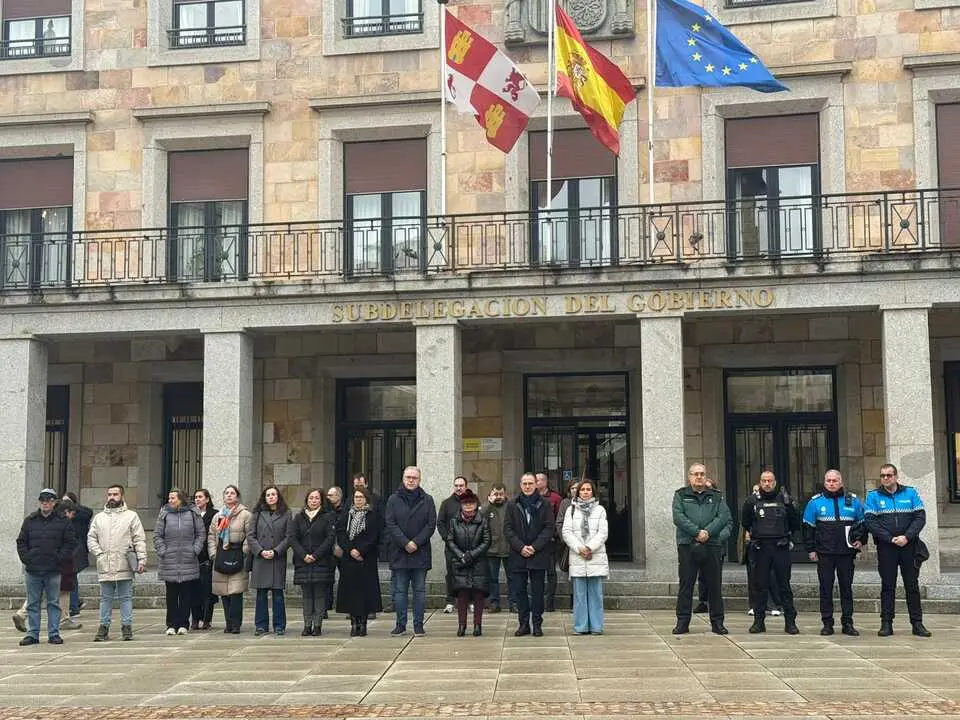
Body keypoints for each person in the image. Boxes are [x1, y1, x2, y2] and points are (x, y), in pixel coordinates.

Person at [864, 463, 930, 637]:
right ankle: (886, 623)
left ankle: (917, 624)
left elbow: (920, 517)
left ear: (896, 476)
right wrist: (890, 538)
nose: (885, 478)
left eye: (889, 475)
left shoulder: (910, 493)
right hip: (887, 547)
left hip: (909, 546)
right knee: (887, 586)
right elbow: (870, 522)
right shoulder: (873, 496)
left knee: (912, 586)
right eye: (883, 475)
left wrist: (906, 537)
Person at [802, 469, 866, 637]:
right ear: (824, 483)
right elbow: (808, 528)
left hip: (846, 553)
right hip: (825, 553)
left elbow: (862, 523)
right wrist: (810, 550)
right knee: (825, 589)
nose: (831, 483)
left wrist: (861, 540)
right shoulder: (815, 502)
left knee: (847, 588)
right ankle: (827, 623)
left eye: (834, 480)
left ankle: (848, 623)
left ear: (841, 482)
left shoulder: (853, 501)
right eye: (828, 480)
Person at [672, 464, 732, 635]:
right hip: (687, 545)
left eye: (702, 474)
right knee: (686, 585)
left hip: (711, 544)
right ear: (689, 477)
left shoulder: (717, 496)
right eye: (695, 474)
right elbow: (678, 517)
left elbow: (724, 516)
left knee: (714, 585)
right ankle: (682, 622)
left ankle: (717, 623)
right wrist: (697, 532)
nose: (699, 477)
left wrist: (708, 532)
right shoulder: (680, 495)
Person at [741, 469, 800, 634]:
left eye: (770, 481)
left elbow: (795, 523)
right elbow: (746, 522)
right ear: (760, 482)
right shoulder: (751, 501)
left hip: (780, 547)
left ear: (775, 482)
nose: (767, 484)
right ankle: (758, 622)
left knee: (784, 586)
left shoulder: (785, 500)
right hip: (760, 548)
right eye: (764, 481)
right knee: (759, 586)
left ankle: (790, 622)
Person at [15, 489, 75, 646]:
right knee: (33, 603)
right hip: (33, 569)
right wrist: (27, 559)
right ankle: (32, 634)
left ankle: (54, 633)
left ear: (54, 502)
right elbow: (21, 541)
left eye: (48, 500)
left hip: (53, 570)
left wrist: (59, 559)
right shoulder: (30, 520)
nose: (45, 503)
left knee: (53, 603)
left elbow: (70, 543)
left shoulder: (63, 521)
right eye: (42, 500)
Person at [88, 484, 147, 642]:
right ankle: (103, 627)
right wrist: (99, 553)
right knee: (105, 598)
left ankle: (126, 627)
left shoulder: (131, 516)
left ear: (122, 496)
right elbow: (91, 538)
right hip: (105, 563)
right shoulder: (99, 517)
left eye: (115, 494)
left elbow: (139, 539)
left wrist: (141, 559)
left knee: (125, 597)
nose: (112, 497)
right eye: (109, 494)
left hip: (124, 563)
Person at [384, 466, 436, 636]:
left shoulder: (427, 500)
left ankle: (418, 625)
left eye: (414, 477)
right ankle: (400, 624)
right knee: (400, 592)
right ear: (403, 478)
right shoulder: (393, 499)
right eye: (408, 477)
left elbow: (430, 525)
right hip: (400, 553)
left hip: (420, 553)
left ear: (419, 480)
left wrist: (416, 542)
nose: (411, 480)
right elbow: (390, 524)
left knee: (419, 591)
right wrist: (405, 542)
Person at [504, 472, 554, 637]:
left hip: (538, 555)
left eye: (530, 483)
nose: (527, 486)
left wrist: (534, 547)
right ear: (520, 485)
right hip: (518, 556)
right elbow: (508, 529)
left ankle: (537, 624)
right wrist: (521, 547)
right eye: (524, 483)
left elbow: (548, 528)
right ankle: (523, 624)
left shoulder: (545, 504)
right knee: (520, 591)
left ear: (536, 484)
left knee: (538, 592)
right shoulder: (512, 504)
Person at [561, 479, 609, 635]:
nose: (585, 492)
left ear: (593, 492)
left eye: (588, 489)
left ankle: (596, 626)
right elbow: (566, 532)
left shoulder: (600, 510)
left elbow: (603, 533)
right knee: (580, 595)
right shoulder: (571, 510)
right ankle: (581, 626)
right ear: (577, 492)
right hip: (578, 556)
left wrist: (590, 548)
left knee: (596, 594)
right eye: (582, 490)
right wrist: (579, 548)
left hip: (595, 556)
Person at [154, 488, 205, 636]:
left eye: (173, 498)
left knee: (185, 593)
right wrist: (163, 550)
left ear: (181, 499)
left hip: (188, 559)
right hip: (169, 559)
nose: (170, 501)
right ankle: (171, 624)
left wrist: (194, 549)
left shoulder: (192, 513)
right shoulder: (164, 514)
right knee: (171, 594)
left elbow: (201, 534)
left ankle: (183, 624)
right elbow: (157, 535)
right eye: (169, 498)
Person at [289, 489, 336, 636]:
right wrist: (304, 555)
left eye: (316, 498)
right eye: (311, 498)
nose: (313, 500)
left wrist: (315, 555)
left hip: (321, 561)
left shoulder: (327, 517)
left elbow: (329, 538)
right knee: (307, 595)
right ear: (307, 500)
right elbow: (292, 538)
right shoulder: (298, 518)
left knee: (320, 595)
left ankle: (317, 625)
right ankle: (307, 624)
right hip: (303, 562)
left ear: (321, 500)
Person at [336, 488, 383, 636]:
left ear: (366, 499)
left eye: (361, 497)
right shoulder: (346, 514)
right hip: (349, 559)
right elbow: (341, 533)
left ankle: (362, 623)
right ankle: (353, 622)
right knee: (351, 592)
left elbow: (374, 536)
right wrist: (350, 550)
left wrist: (360, 551)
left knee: (364, 593)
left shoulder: (372, 515)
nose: (358, 500)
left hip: (366, 559)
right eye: (356, 497)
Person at [445, 489, 490, 636]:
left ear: (476, 505)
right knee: (462, 595)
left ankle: (478, 625)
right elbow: (450, 540)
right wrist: (461, 555)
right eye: (466, 504)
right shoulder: (454, 521)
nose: (469, 506)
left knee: (478, 595)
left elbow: (486, 541)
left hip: (478, 562)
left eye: (471, 503)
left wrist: (471, 555)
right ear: (461, 506)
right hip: (460, 562)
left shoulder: (482, 520)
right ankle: (461, 625)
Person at [208, 485, 252, 634]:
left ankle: (236, 624)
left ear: (237, 497)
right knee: (224, 593)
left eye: (232, 493)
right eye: (226, 493)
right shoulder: (218, 516)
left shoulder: (245, 514)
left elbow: (250, 535)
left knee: (235, 592)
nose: (229, 495)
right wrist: (213, 553)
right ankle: (228, 623)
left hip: (237, 554)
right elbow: (211, 536)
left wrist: (244, 552)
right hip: (221, 554)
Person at [249, 485, 291, 637]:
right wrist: (260, 551)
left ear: (278, 497)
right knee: (261, 594)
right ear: (264, 498)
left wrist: (276, 551)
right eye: (268, 495)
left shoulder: (286, 513)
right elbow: (250, 535)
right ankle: (261, 625)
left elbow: (288, 537)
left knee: (277, 594)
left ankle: (279, 625)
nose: (271, 497)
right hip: (261, 558)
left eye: (274, 494)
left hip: (277, 558)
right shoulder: (258, 514)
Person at [437, 475, 469, 614]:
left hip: (469, 545)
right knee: (451, 573)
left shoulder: (472, 501)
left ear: (466, 487)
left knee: (469, 573)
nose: (458, 488)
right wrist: (447, 538)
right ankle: (450, 601)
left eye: (461, 485)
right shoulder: (446, 503)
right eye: (456, 485)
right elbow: (440, 523)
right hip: (451, 546)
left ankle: (470, 601)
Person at [62, 491, 92, 620]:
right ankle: (75, 604)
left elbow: (88, 512)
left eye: (67, 502)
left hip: (77, 550)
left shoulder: (81, 514)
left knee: (71, 577)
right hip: (67, 550)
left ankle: (74, 607)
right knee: (69, 579)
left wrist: (72, 505)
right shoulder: (62, 516)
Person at [535, 472, 562, 612]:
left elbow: (559, 519)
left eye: (539, 480)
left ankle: (550, 603)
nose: (537, 482)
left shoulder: (555, 498)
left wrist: (555, 535)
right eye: (535, 480)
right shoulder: (530, 498)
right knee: (536, 573)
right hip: (534, 542)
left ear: (545, 482)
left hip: (550, 542)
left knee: (551, 573)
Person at [190, 488, 217, 630]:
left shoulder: (214, 514)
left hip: (207, 558)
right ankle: (195, 618)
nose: (197, 499)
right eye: (195, 497)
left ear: (207, 499)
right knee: (194, 590)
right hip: (193, 558)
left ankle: (206, 619)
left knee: (207, 591)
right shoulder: (191, 514)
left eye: (200, 497)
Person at [483, 483, 511, 613]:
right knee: (492, 578)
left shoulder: (511, 506)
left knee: (512, 577)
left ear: (505, 494)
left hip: (508, 548)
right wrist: (489, 504)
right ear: (491, 494)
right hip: (492, 549)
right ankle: (494, 603)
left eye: (501, 494)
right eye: (496, 494)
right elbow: (480, 519)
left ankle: (514, 602)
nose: (499, 497)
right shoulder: (487, 508)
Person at [556, 479, 579, 613]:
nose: (575, 491)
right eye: (572, 488)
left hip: (584, 546)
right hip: (569, 545)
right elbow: (559, 522)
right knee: (571, 575)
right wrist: (567, 539)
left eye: (577, 488)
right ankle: (573, 602)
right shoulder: (565, 503)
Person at [325, 486, 345, 617]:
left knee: (345, 578)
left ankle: (344, 605)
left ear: (339, 496)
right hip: (328, 549)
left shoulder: (345, 510)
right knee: (327, 578)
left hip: (343, 549)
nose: (328, 497)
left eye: (331, 495)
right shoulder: (325, 511)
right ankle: (326, 606)